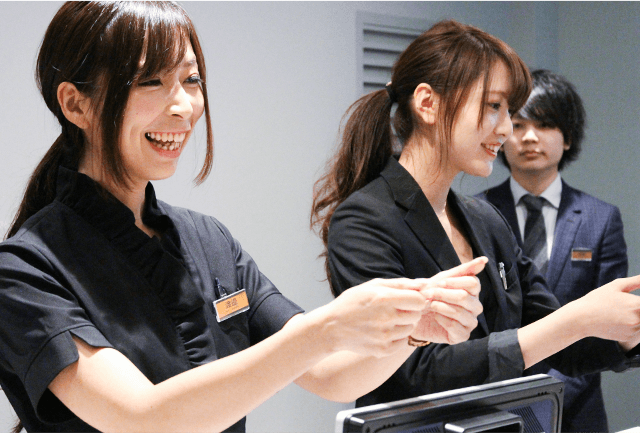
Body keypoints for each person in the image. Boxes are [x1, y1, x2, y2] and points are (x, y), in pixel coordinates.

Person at [0, 2, 485, 433]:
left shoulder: (207, 239)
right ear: (76, 104)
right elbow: (143, 418)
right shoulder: (26, 269)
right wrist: (327, 330)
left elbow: (328, 372)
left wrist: (412, 327)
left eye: (191, 80)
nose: (184, 106)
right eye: (151, 81)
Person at [311, 19, 640, 411]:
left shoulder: (485, 219)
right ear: (428, 104)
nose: (507, 129)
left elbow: (556, 339)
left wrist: (627, 330)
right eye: (494, 107)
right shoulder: (363, 222)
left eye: (508, 111)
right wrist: (576, 319)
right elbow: (415, 370)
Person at [476, 69, 627, 432]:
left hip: (578, 411)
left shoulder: (600, 218)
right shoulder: (476, 214)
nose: (529, 137)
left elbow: (607, 322)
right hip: (494, 407)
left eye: (544, 125)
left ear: (568, 137)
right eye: (518, 124)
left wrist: (546, 397)